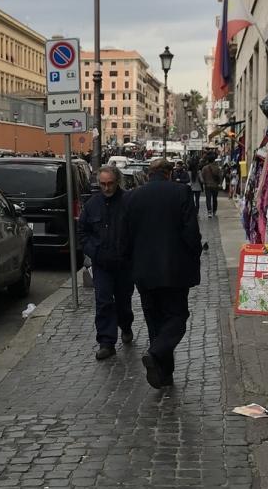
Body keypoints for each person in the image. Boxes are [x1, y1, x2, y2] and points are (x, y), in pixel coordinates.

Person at [123, 157, 202, 390]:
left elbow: (125, 236)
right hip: (174, 269)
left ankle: (164, 374)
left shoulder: (132, 197)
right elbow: (190, 231)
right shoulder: (181, 192)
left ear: (149, 174)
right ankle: (156, 353)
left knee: (155, 322)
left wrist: (130, 265)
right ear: (169, 173)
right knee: (177, 317)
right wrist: (195, 254)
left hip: (144, 271)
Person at [79, 163, 134, 361]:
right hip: (102, 263)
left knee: (123, 301)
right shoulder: (92, 205)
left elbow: (137, 230)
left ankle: (125, 325)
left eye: (110, 183)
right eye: (103, 184)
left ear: (117, 182)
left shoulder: (128, 202)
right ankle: (106, 342)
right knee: (103, 301)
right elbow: (82, 232)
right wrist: (94, 251)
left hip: (124, 263)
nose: (107, 188)